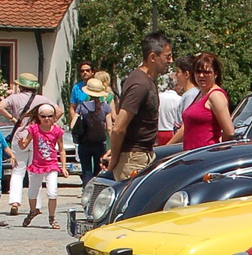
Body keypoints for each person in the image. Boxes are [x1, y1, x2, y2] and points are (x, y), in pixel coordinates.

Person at [101, 33, 173, 180]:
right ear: (152, 57)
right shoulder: (139, 84)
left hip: (142, 155)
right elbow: (118, 128)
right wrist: (115, 156)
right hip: (133, 160)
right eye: (167, 56)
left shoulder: (148, 81)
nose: (171, 61)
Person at [168, 52, 236, 152]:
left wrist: (216, 149)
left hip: (206, 156)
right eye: (198, 72)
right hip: (192, 155)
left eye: (206, 72)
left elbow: (229, 132)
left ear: (215, 74)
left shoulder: (216, 95)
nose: (201, 75)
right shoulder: (199, 94)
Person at [0, 75, 42, 214]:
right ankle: (36, 204)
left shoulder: (14, 98)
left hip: (19, 136)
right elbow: (59, 111)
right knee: (35, 171)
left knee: (17, 170)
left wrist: (12, 118)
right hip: (36, 135)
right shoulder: (41, 99)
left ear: (21, 86)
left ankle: (15, 202)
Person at [19, 102, 69, 227]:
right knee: (32, 193)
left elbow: (61, 150)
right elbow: (24, 145)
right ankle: (32, 211)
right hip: (37, 165)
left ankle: (52, 218)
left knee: (52, 193)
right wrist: (20, 143)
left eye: (50, 116)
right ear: (39, 117)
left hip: (51, 165)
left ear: (54, 117)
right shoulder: (34, 129)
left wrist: (63, 167)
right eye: (43, 116)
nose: (47, 119)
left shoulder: (57, 131)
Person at [70, 72, 114, 183]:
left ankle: (86, 190)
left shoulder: (82, 106)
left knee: (86, 170)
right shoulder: (106, 107)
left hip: (84, 143)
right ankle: (96, 191)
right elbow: (109, 128)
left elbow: (72, 125)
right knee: (98, 170)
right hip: (99, 143)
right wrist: (113, 144)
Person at [157, 56, 196, 145]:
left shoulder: (191, 95)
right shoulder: (187, 95)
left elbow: (185, 127)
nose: (176, 75)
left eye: (178, 72)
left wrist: (167, 147)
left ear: (186, 74)